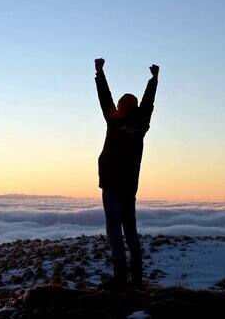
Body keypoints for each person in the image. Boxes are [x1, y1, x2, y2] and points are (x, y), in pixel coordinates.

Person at [94, 58, 159, 288]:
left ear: (121, 107)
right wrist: (154, 81)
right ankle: (137, 279)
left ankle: (121, 280)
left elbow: (105, 99)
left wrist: (100, 73)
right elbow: (148, 105)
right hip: (129, 187)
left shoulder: (114, 121)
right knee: (130, 233)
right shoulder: (141, 126)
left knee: (115, 234)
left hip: (112, 185)